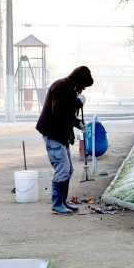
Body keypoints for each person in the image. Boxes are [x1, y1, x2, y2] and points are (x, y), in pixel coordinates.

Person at [35, 65, 93, 215]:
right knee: (63, 169)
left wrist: (77, 122)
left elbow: (66, 114)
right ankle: (56, 205)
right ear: (78, 81)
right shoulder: (61, 87)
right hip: (53, 134)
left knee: (69, 170)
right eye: (84, 86)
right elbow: (59, 109)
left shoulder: (69, 88)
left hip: (61, 135)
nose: (84, 89)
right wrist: (78, 102)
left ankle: (62, 202)